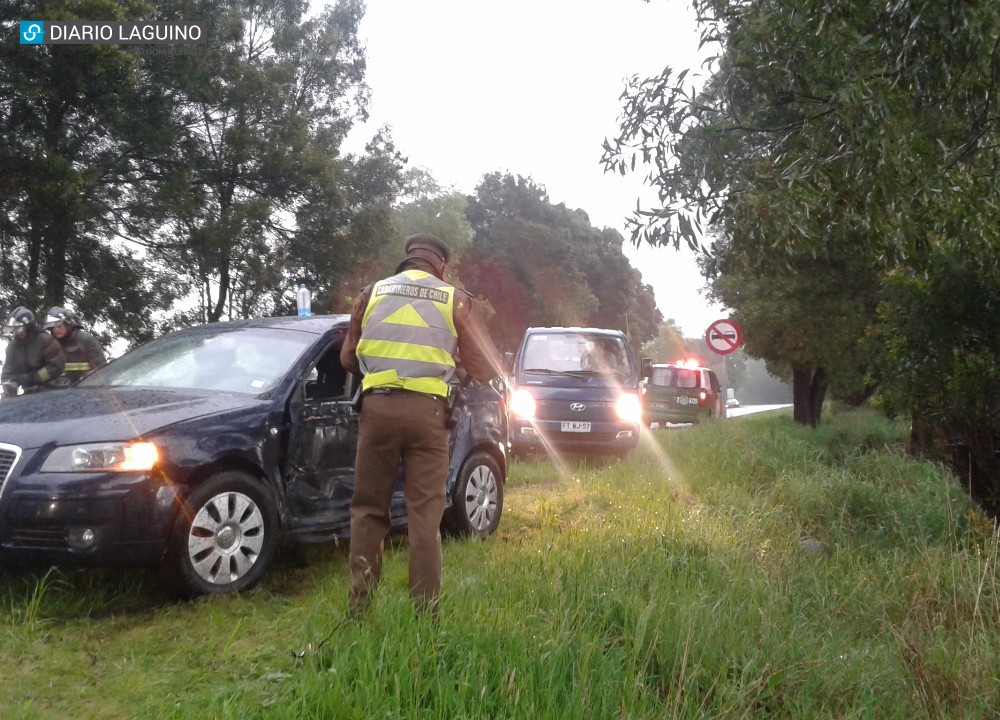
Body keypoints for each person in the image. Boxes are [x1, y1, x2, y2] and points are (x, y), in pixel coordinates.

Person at [340, 233, 501, 615]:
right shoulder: (455, 299)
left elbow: (348, 358)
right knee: (424, 519)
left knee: (368, 512)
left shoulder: (371, 293)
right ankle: (425, 616)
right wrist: (453, 368)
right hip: (429, 417)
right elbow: (485, 367)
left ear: (408, 258)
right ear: (440, 265)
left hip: (377, 412)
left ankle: (359, 609)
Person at [1, 306, 66, 397]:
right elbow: (8, 371)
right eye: (14, 329)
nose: (17, 332)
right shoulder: (12, 347)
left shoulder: (46, 341)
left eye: (19, 328)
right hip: (28, 394)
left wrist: (34, 378)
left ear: (29, 326)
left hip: (52, 390)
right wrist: (9, 385)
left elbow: (55, 366)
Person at [44, 306, 107, 384]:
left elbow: (101, 368)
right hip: (60, 390)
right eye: (52, 327)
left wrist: (83, 380)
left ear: (68, 324)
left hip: (87, 387)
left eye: (59, 326)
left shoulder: (85, 340)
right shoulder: (51, 345)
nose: (56, 330)